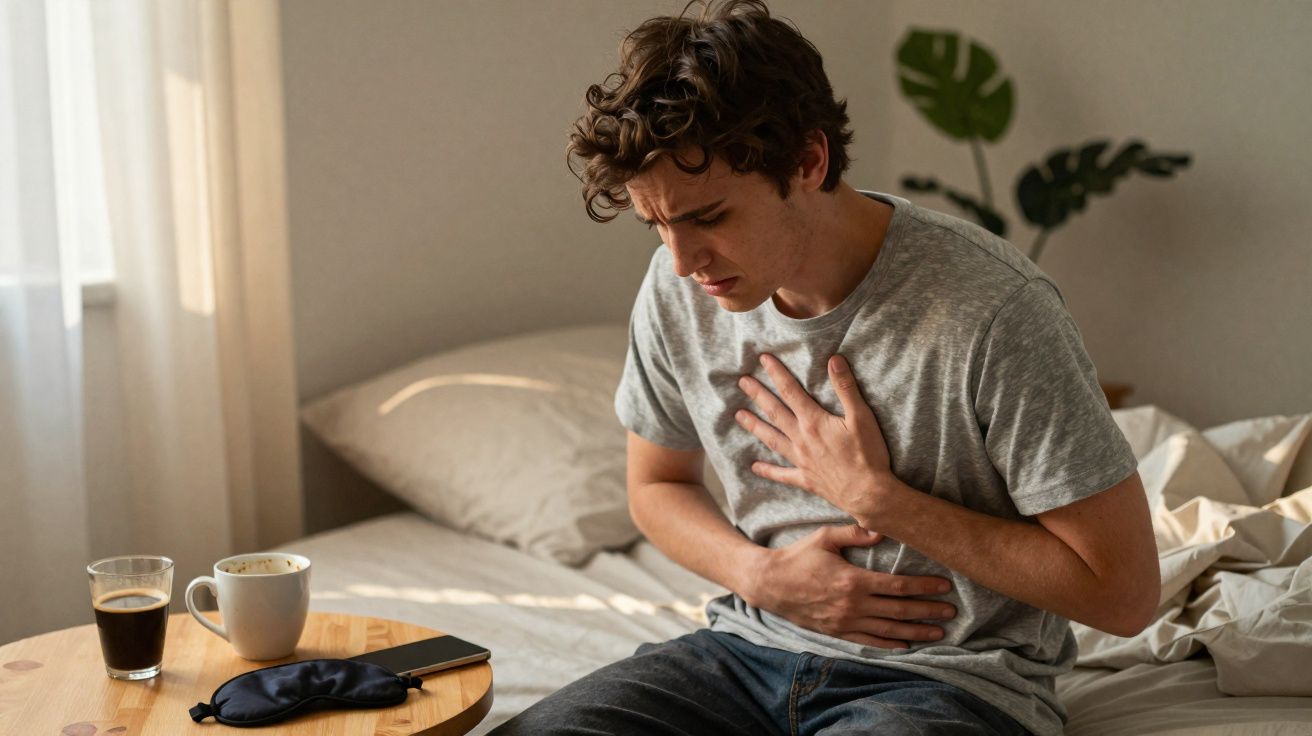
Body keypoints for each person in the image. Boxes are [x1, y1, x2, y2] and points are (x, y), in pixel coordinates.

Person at [491, 1, 1159, 734]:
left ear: (808, 162)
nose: (681, 263)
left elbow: (1122, 596)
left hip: (947, 683)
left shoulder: (993, 310)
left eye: (709, 218)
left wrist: (881, 501)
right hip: (744, 652)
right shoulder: (675, 288)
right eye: (658, 225)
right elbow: (656, 484)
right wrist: (762, 577)